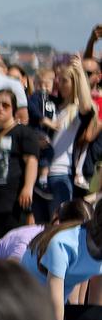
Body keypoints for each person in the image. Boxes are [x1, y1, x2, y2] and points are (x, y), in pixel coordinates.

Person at [0, 90, 44, 246]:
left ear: (13, 109)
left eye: (6, 105)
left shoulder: (24, 132)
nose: (1, 108)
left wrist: (28, 187)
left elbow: (32, 160)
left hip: (12, 204)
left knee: (13, 248)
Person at [44, 60, 100, 217]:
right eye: (58, 79)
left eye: (64, 80)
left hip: (62, 174)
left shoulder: (76, 111)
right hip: (44, 174)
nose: (59, 84)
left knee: (60, 223)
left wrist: (80, 72)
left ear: (74, 83)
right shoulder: (55, 107)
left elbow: (86, 106)